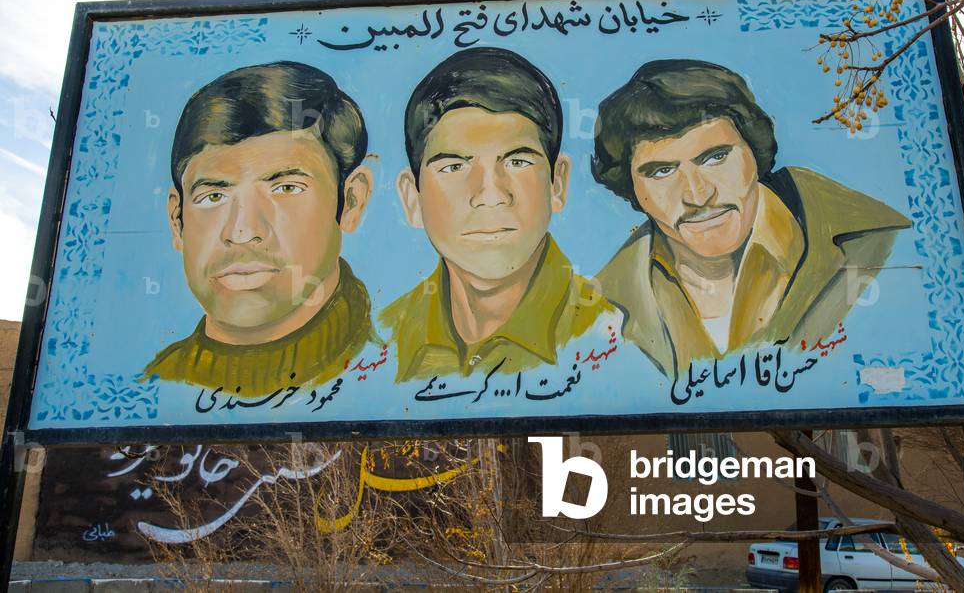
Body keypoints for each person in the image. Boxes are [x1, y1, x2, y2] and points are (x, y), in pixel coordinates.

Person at [592, 59, 911, 378]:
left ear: (753, 153)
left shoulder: (879, 243)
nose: (697, 194)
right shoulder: (605, 302)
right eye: (662, 171)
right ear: (632, 188)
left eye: (715, 157)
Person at [142, 61, 375, 397]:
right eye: (214, 196)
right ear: (177, 220)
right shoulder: (154, 385)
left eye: (286, 188)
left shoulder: (394, 360)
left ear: (351, 201)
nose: (243, 230)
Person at [382, 47, 609, 382]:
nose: (490, 195)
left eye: (518, 162)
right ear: (411, 196)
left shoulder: (610, 334)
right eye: (454, 166)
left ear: (556, 183)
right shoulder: (385, 340)